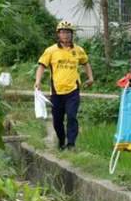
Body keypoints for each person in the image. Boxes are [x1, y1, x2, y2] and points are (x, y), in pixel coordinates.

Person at [34, 21, 94, 150]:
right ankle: (61, 141)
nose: (65, 35)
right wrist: (38, 81)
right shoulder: (51, 50)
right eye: (62, 32)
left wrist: (90, 77)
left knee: (72, 116)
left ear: (71, 34)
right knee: (57, 121)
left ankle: (71, 144)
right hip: (56, 91)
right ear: (58, 34)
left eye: (67, 32)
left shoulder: (78, 50)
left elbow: (86, 63)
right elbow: (41, 66)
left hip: (73, 90)